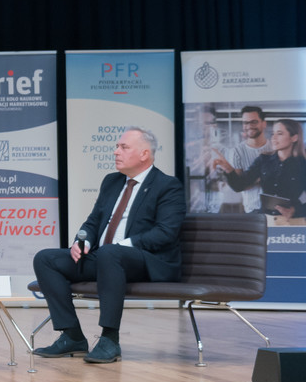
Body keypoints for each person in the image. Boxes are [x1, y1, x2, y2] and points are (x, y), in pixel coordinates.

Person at [32, 127, 185, 364]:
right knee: (45, 258)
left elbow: (165, 233)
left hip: (145, 260)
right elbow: (93, 222)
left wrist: (122, 246)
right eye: (116, 147)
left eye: (124, 147)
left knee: (110, 253)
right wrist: (82, 241)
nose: (116, 152)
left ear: (144, 154)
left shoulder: (167, 186)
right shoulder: (112, 181)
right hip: (107, 258)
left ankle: (109, 339)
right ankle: (72, 336)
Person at [214, 118, 306, 220]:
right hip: (266, 219)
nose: (273, 138)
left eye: (279, 133)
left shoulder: (303, 164)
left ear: (294, 138)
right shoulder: (263, 160)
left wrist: (294, 211)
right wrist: (228, 169)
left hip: (292, 221)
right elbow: (239, 185)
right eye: (273, 133)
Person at [212, 106, 271, 213]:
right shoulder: (237, 152)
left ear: (264, 124)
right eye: (245, 123)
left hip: (275, 210)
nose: (249, 126)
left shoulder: (274, 147)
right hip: (252, 209)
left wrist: (255, 180)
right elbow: (239, 185)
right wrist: (262, 178)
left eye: (254, 122)